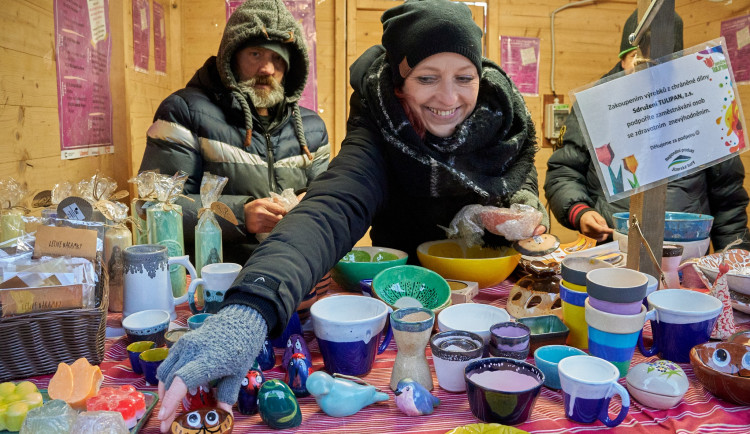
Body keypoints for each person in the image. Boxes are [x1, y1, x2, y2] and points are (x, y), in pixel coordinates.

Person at [155, 0, 548, 431]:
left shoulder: (504, 115)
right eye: (427, 78)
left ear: (480, 74)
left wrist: (522, 211)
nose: (449, 98)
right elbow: (329, 209)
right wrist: (249, 308)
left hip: (485, 294)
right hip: (398, 289)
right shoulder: (378, 122)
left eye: (464, 78)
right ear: (401, 81)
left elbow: (521, 180)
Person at [139, 0, 330, 265]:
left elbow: (333, 200)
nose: (267, 69)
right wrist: (239, 214)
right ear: (231, 55)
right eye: (256, 54)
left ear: (290, 66)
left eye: (277, 58)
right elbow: (153, 207)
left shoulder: (312, 128)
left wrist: (314, 202)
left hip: (295, 270)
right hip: (214, 278)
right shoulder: (183, 112)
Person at [545, 10, 749, 250]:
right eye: (638, 60)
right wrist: (580, 212)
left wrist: (734, 259)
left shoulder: (704, 107)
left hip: (683, 257)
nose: (647, 72)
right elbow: (564, 171)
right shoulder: (596, 105)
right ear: (623, 59)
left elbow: (728, 200)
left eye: (658, 64)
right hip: (608, 251)